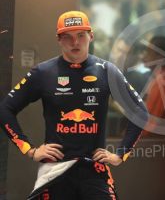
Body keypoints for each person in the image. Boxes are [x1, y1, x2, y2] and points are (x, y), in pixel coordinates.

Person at [0, 11, 148, 199]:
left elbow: (140, 111)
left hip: (95, 170)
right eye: (67, 37)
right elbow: (5, 109)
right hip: (55, 170)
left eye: (81, 35)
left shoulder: (107, 71)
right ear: (59, 40)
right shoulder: (43, 72)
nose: (75, 42)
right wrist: (30, 150)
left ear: (91, 36)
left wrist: (120, 155)